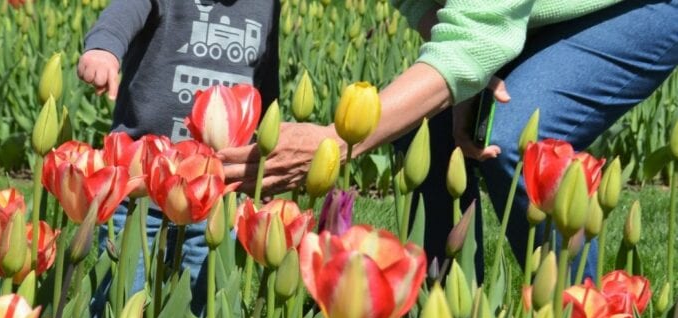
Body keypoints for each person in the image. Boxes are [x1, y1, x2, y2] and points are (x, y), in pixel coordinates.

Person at [219, 0, 678, 280]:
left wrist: (339, 141)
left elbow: (476, 37)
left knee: (514, 135)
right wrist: (465, 77)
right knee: (422, 128)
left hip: (636, 6)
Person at [78, 0, 280, 312]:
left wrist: (267, 153)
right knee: (121, 286)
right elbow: (123, 11)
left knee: (203, 286)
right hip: (139, 175)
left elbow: (264, 77)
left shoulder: (266, 5)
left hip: (210, 183)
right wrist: (104, 48)